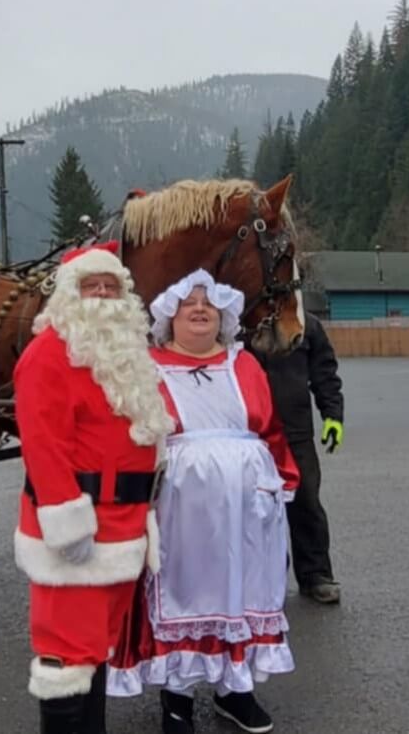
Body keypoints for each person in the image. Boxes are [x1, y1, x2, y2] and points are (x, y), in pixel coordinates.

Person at [109, 269, 300, 734]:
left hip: (248, 509)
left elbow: (269, 428)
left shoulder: (245, 364)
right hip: (181, 509)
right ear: (168, 317)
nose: (199, 310)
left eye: (209, 305)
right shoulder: (147, 368)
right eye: (188, 303)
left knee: (244, 591)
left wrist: (285, 477)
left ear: (223, 317)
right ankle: (177, 699)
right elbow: (128, 436)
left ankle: (235, 691)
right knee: (185, 593)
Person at [13, 241, 175, 734]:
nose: (103, 295)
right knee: (65, 657)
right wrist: (66, 523)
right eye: (91, 286)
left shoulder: (128, 355)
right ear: (68, 296)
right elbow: (43, 446)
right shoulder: (48, 355)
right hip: (78, 531)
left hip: (123, 527)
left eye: (111, 286)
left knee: (96, 647)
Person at [249, 314, 345, 604]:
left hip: (296, 431)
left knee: (306, 503)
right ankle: (266, 578)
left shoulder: (306, 326)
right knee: (256, 508)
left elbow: (324, 373)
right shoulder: (239, 323)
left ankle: (316, 575)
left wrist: (333, 415)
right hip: (249, 434)